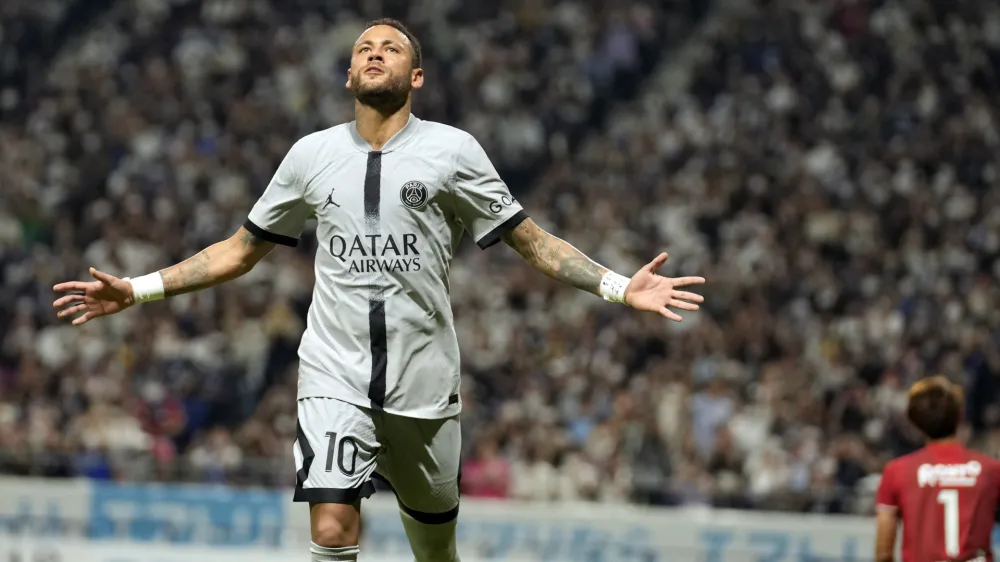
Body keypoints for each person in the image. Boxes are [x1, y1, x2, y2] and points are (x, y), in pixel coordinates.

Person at [50, 18, 706, 562]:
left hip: (424, 385)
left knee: (435, 550)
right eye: (363, 47)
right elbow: (239, 250)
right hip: (331, 372)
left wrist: (620, 287)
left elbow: (534, 243)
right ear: (347, 75)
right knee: (332, 528)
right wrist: (137, 289)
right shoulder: (310, 155)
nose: (374, 53)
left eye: (390, 48)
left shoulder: (454, 151)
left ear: (415, 77)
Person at [874, 376, 1000, 562]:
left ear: (915, 421)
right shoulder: (991, 470)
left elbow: (884, 553)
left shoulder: (897, 471)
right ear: (960, 415)